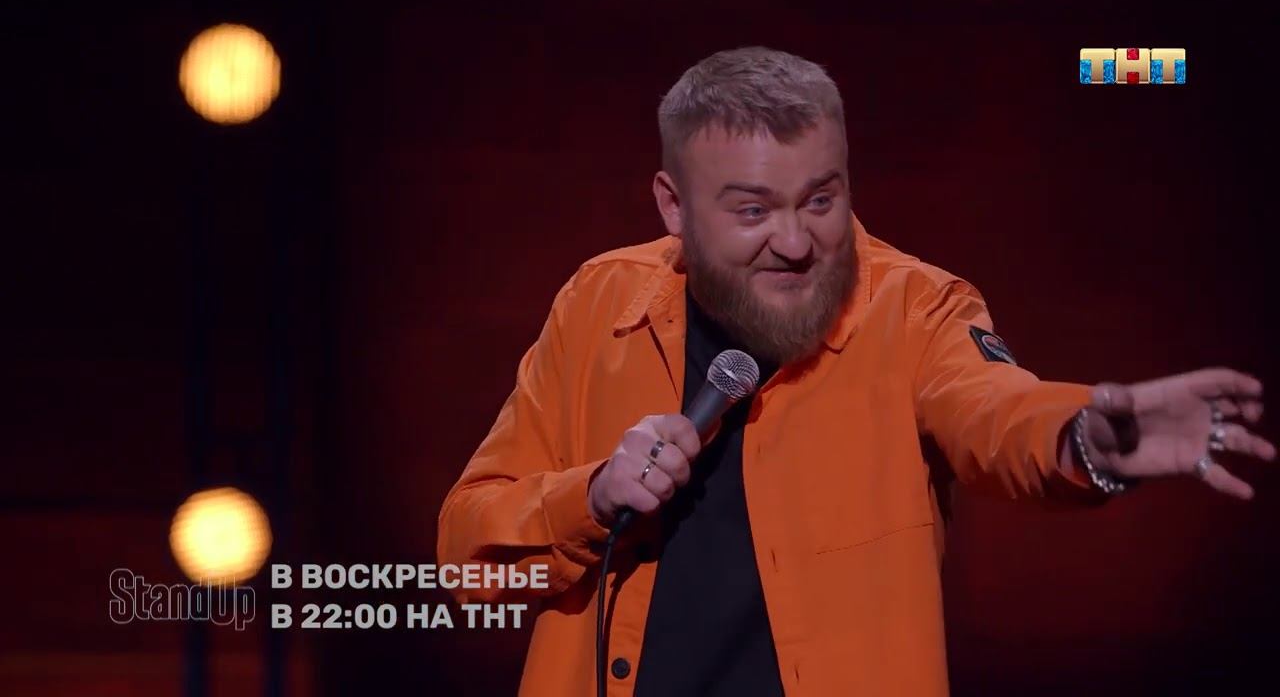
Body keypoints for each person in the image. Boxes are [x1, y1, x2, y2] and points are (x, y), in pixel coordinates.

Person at [436, 47, 1273, 696]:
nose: (796, 242)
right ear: (672, 205)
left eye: (821, 200)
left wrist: (1083, 437)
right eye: (753, 210)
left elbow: (995, 409)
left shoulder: (915, 308)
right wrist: (589, 498)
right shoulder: (598, 303)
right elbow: (465, 559)